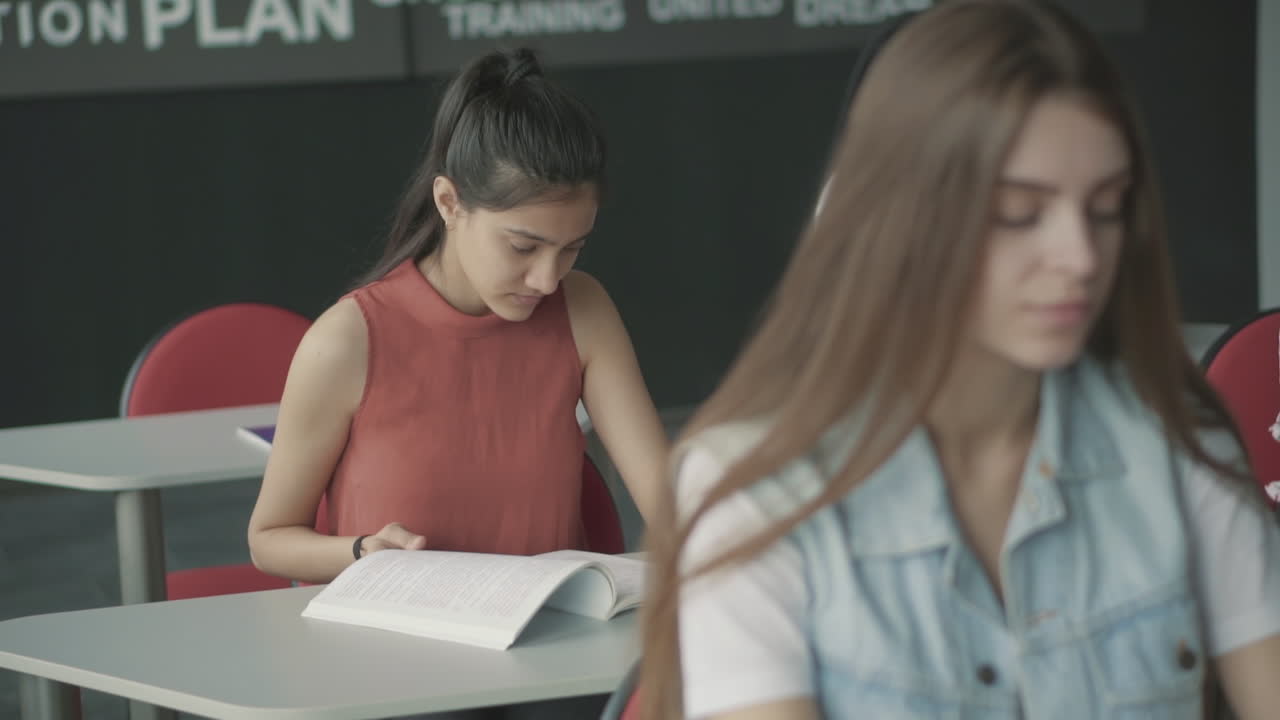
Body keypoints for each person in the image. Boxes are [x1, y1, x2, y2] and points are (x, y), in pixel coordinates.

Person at [638, 1, 1280, 718]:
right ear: (901, 216)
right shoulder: (751, 495)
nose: (1079, 256)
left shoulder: (1180, 444)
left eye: (1104, 208)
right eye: (1018, 213)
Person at [246, 48, 666, 600]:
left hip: (553, 641)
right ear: (449, 201)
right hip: (400, 656)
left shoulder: (582, 307)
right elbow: (269, 539)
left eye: (571, 249)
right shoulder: (348, 339)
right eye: (523, 246)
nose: (546, 279)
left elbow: (667, 498)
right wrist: (360, 551)